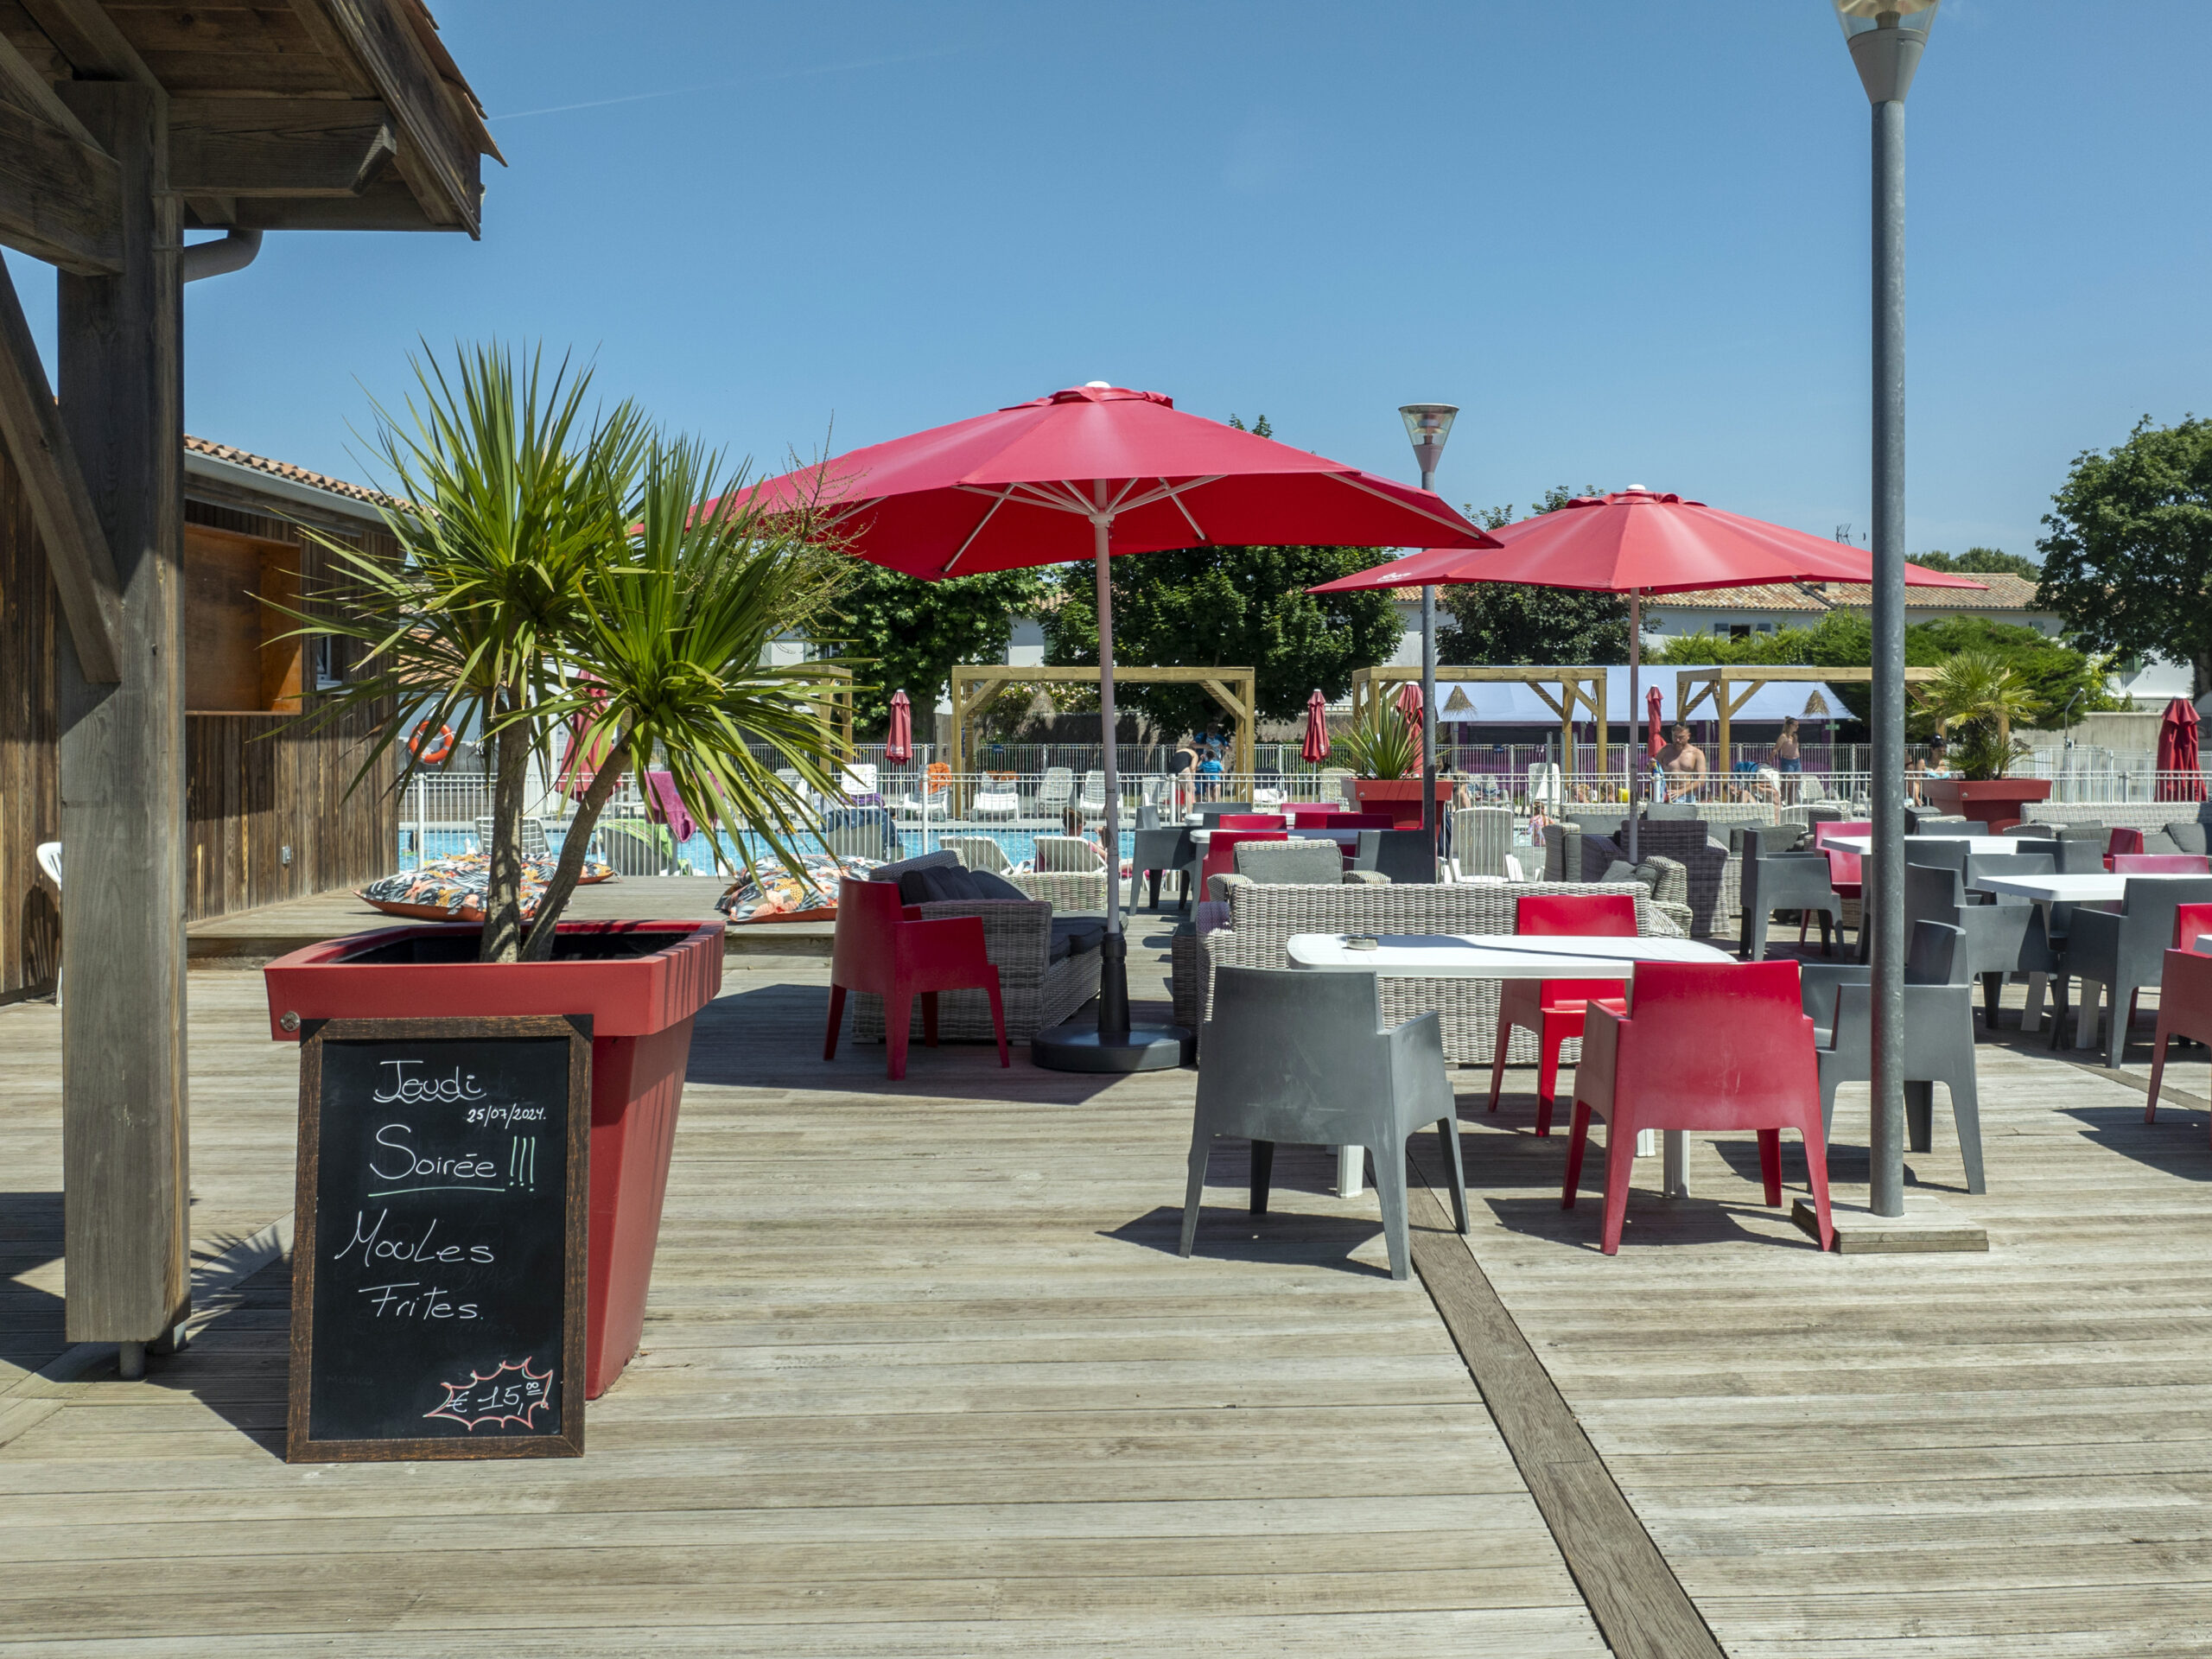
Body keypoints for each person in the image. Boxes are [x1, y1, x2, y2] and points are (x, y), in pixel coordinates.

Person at [1654, 723, 1707, 801]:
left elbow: (1701, 780)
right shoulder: (1664, 751)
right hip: (1666, 796)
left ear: (1688, 736)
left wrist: (1681, 792)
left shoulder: (1697, 753)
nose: (1677, 740)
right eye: (1675, 736)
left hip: (1686, 797)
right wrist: (1649, 767)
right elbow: (1653, 770)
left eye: (1681, 737)